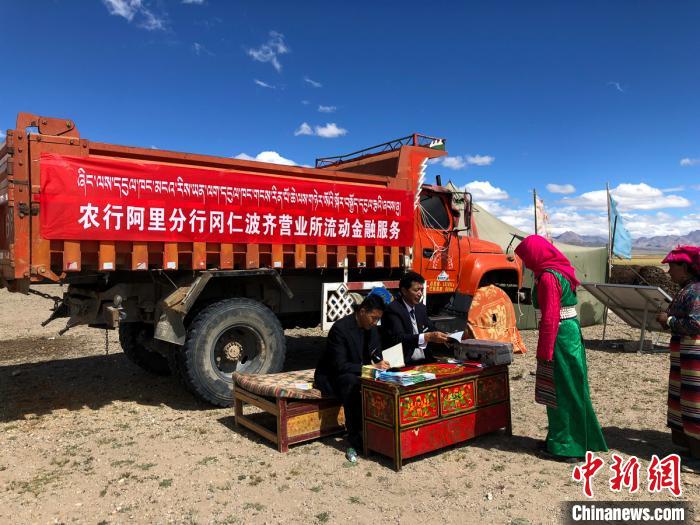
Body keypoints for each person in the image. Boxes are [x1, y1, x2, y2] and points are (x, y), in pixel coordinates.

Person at [514, 235, 608, 463]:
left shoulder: (548, 277)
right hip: (567, 332)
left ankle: (568, 447)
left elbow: (550, 316)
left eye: (526, 257)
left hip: (559, 336)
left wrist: (544, 352)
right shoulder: (558, 271)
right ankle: (564, 438)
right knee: (568, 388)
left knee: (561, 391)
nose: (525, 262)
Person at [314, 294, 390, 463]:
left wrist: (382, 363)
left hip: (360, 371)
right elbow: (340, 365)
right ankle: (355, 435)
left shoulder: (372, 329)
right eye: (373, 318)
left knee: (386, 379)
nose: (375, 322)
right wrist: (369, 368)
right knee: (351, 382)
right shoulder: (340, 329)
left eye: (378, 319)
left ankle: (381, 431)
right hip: (333, 375)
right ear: (362, 311)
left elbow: (376, 354)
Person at [655, 245, 700, 472]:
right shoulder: (688, 289)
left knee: (695, 404)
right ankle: (692, 450)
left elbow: (696, 323)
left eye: (672, 266)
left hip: (695, 357)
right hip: (686, 355)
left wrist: (669, 320)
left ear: (684, 267)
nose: (669, 272)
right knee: (684, 400)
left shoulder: (695, 291)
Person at [381, 271, 449, 365]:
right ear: (404, 291)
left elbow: (431, 329)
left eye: (421, 290)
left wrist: (447, 336)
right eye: (416, 290)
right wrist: (426, 337)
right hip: (404, 362)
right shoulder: (393, 309)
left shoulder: (421, 308)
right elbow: (399, 338)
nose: (420, 293)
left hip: (425, 360)